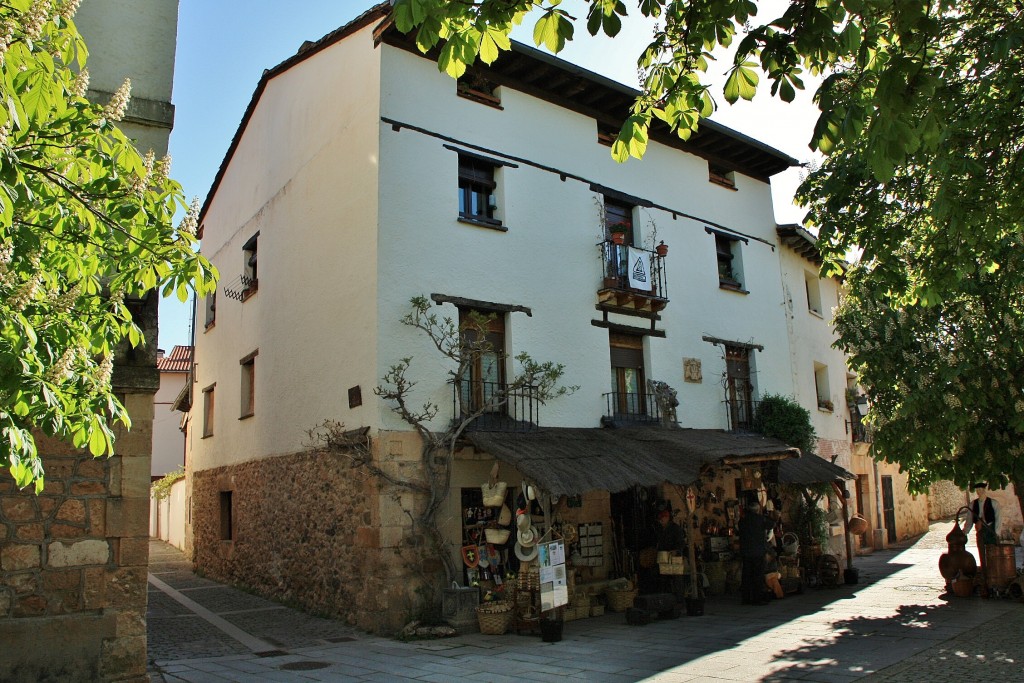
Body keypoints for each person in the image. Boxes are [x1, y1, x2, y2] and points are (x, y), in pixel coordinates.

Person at [739, 501, 773, 605]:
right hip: (758, 552)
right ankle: (756, 598)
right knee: (757, 576)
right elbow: (772, 523)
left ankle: (746, 598)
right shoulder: (760, 519)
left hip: (746, 552)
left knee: (746, 576)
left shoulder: (743, 520)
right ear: (758, 509)